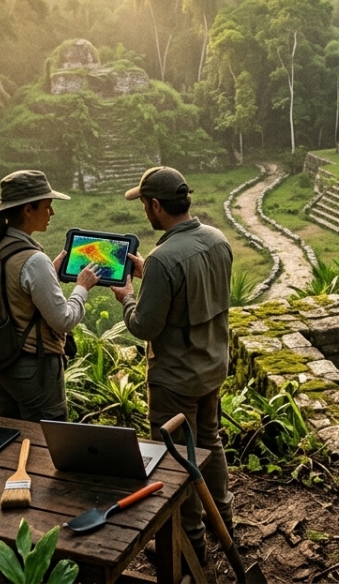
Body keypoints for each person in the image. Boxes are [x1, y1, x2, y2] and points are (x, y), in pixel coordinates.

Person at [110, 166, 233, 563]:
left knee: (178, 460)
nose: (144, 209)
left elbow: (145, 326)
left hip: (175, 380)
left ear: (157, 205)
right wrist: (152, 277)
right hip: (213, 366)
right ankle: (223, 523)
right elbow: (193, 293)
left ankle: (190, 543)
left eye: (145, 203)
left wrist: (128, 297)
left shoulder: (165, 259)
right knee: (210, 443)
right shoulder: (217, 239)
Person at [0, 170, 100, 422]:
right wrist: (82, 288)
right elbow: (63, 320)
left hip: (1, 363)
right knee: (46, 439)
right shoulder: (33, 261)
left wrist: (49, 273)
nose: (51, 213)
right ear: (27, 210)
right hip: (33, 367)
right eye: (47, 206)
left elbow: (12, 294)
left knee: (11, 432)